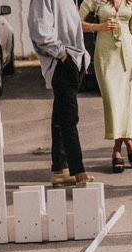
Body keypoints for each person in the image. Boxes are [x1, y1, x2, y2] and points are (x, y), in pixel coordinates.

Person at [28, 0, 94, 186]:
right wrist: (62, 54)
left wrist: (81, 58)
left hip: (73, 60)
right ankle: (78, 171)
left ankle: (60, 169)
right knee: (69, 118)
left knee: (60, 117)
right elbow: (39, 30)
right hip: (62, 63)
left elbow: (73, 27)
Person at [80, 0, 132, 174]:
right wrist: (99, 27)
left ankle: (118, 148)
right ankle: (129, 141)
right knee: (112, 102)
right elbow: (76, 22)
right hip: (105, 55)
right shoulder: (94, 1)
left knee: (126, 101)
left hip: (128, 54)